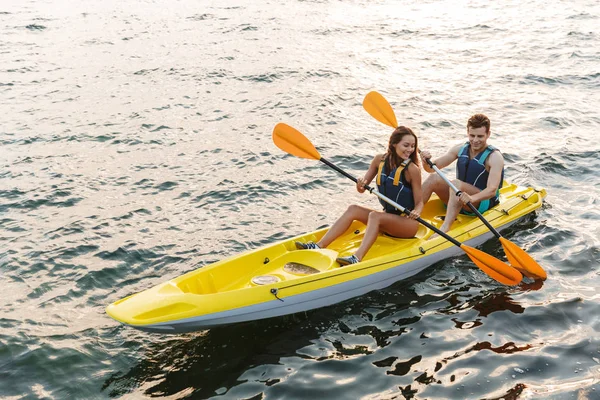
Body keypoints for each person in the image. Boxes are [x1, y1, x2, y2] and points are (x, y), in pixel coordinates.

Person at [295, 126, 424, 265]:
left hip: (407, 225)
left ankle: (356, 258)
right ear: (394, 144)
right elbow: (361, 189)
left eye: (412, 146)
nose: (410, 150)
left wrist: (417, 212)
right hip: (388, 219)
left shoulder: (412, 170)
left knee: (374, 216)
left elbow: (420, 202)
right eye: (406, 145)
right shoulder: (379, 160)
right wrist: (360, 183)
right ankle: (319, 245)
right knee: (353, 209)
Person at [420, 113, 504, 235]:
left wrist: (472, 198)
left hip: (481, 202)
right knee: (434, 178)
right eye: (472, 135)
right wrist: (424, 161)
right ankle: (409, 215)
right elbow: (431, 169)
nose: (475, 140)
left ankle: (445, 228)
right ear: (467, 133)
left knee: (456, 184)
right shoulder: (460, 149)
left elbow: (492, 190)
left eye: (480, 136)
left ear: (488, 134)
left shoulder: (495, 157)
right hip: (459, 196)